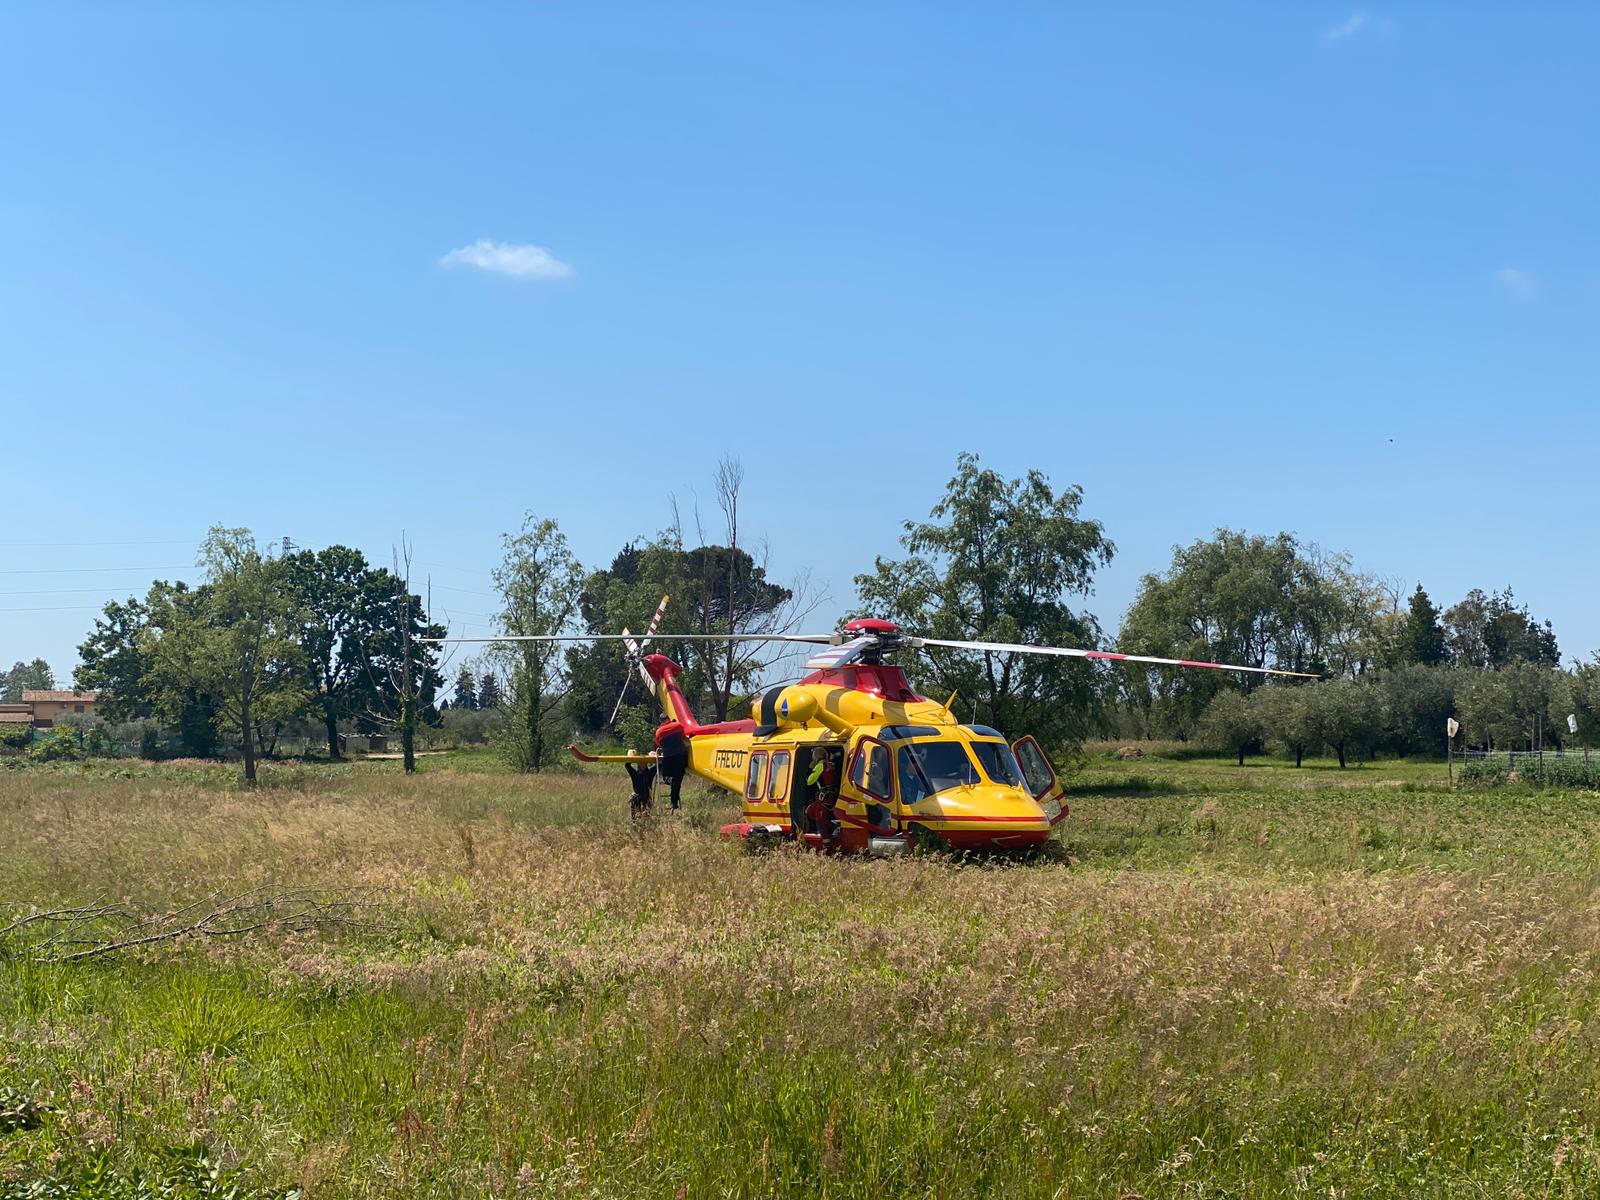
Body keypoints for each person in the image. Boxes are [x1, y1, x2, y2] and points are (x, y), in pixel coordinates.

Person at [803, 747, 840, 844]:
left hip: (825, 798)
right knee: (821, 815)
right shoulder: (831, 765)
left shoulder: (819, 766)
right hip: (834, 797)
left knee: (813, 813)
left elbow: (809, 781)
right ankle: (832, 826)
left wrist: (810, 769)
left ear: (815, 757)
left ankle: (826, 841)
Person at [654, 721, 690, 810]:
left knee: (666, 777)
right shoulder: (679, 725)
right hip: (682, 756)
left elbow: (659, 744)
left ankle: (670, 782)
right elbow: (684, 737)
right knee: (677, 780)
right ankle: (674, 802)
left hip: (669, 756)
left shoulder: (659, 731)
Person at [624, 752, 656, 817]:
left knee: (646, 817)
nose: (642, 764)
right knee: (635, 818)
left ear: (646, 763)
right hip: (636, 798)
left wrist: (652, 756)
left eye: (643, 762)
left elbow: (659, 764)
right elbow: (627, 765)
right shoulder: (635, 773)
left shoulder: (650, 772)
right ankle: (634, 825)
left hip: (646, 798)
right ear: (637, 763)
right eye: (640, 762)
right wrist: (631, 754)